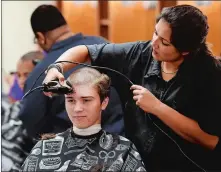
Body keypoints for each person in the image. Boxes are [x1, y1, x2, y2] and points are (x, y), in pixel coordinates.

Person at [43, 5, 221, 171]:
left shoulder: (210, 75)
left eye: (164, 43)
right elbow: (85, 51)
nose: (154, 43)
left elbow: (210, 140)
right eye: (155, 33)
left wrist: (158, 108)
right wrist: (55, 69)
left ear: (186, 51)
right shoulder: (139, 54)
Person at [19, 5, 124, 138]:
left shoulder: (42, 73)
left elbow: (31, 118)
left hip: (72, 152)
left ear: (41, 37)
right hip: (119, 143)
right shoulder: (104, 45)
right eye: (71, 100)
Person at [21, 67, 146, 172]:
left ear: (104, 102)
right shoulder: (43, 148)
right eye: (71, 100)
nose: (77, 108)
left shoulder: (123, 150)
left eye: (86, 100)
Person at [2, 51, 44, 171]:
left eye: (27, 75)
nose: (21, 81)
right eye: (19, 75)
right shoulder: (13, 108)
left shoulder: (46, 111)